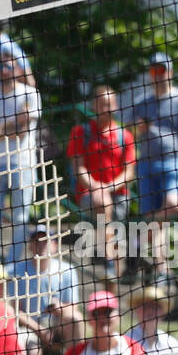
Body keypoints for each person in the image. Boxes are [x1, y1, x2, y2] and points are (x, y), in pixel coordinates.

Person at [131, 53, 178, 282]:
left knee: (173, 205)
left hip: (174, 162)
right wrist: (137, 128)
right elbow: (130, 133)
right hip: (147, 166)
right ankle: (162, 270)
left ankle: (138, 240)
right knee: (155, 220)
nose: (158, 75)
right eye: (154, 71)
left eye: (161, 70)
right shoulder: (142, 102)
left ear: (169, 72)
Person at [66, 84, 136, 277]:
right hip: (89, 194)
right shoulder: (81, 132)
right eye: (102, 104)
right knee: (102, 202)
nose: (107, 108)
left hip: (119, 196)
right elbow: (78, 168)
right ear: (94, 106)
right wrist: (97, 187)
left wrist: (110, 186)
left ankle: (104, 251)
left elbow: (129, 172)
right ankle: (109, 260)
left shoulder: (125, 136)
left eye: (110, 104)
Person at [0, 58, 41, 274]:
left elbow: (21, 132)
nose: (3, 70)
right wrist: (9, 125)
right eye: (0, 67)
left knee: (21, 215)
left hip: (22, 163)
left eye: (8, 66)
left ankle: (13, 261)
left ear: (17, 69)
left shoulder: (29, 94)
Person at [8, 224, 81, 355]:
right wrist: (39, 330)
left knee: (76, 318)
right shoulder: (16, 271)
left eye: (45, 241)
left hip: (57, 325)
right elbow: (15, 311)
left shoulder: (67, 270)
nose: (40, 245)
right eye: (36, 241)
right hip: (31, 327)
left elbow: (74, 308)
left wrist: (60, 307)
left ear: (54, 245)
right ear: (29, 246)